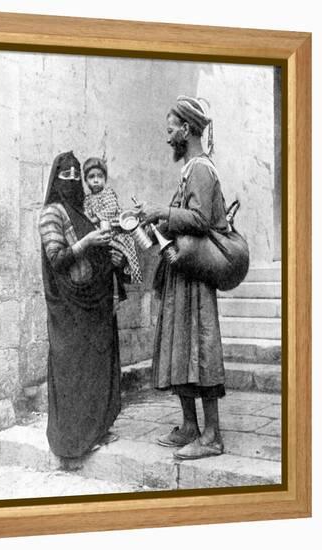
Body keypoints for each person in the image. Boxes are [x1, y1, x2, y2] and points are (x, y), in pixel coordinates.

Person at [137, 96, 229, 460]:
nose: (168, 137)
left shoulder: (202, 169)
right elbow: (185, 216)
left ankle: (212, 436)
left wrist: (162, 210)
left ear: (187, 129)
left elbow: (201, 220)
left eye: (171, 128)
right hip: (181, 272)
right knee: (181, 347)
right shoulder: (190, 169)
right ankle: (190, 426)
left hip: (196, 275)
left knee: (201, 348)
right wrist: (155, 219)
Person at [39, 151, 128, 459]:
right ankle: (74, 438)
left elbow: (97, 254)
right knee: (75, 369)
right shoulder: (52, 213)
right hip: (70, 308)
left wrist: (113, 259)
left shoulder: (85, 209)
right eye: (67, 177)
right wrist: (88, 243)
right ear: (56, 180)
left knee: (96, 366)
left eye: (78, 176)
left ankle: (97, 427)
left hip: (94, 302)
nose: (75, 182)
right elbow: (58, 259)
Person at [83, 157, 142, 284]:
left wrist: (96, 217)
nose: (96, 180)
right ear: (86, 181)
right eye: (91, 177)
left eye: (100, 176)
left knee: (125, 253)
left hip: (114, 230)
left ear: (105, 179)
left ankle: (130, 272)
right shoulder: (87, 199)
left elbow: (111, 209)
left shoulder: (108, 193)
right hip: (98, 232)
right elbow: (85, 215)